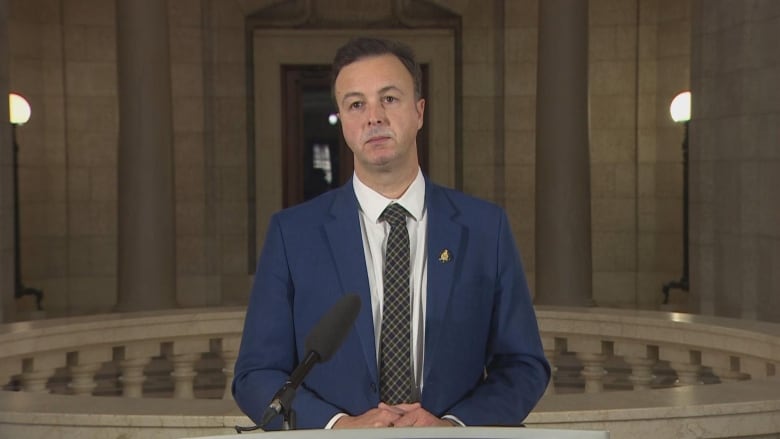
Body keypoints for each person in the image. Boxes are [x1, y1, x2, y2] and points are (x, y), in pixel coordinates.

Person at [233, 37, 550, 430]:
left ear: (419, 111)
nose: (373, 117)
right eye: (356, 104)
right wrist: (338, 427)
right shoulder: (292, 235)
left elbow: (524, 365)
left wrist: (454, 426)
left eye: (389, 99)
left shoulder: (486, 229)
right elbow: (256, 374)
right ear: (344, 122)